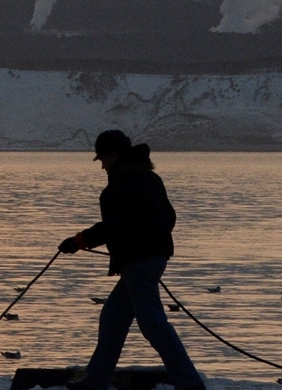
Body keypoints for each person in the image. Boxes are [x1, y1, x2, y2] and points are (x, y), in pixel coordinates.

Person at [58, 129, 205, 390]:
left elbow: (114, 226)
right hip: (153, 259)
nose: (101, 165)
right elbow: (169, 218)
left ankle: (190, 383)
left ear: (114, 156)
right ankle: (95, 381)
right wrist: (151, 242)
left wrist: (79, 241)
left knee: (153, 325)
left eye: (102, 159)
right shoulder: (151, 178)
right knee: (113, 319)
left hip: (139, 263)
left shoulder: (120, 185)